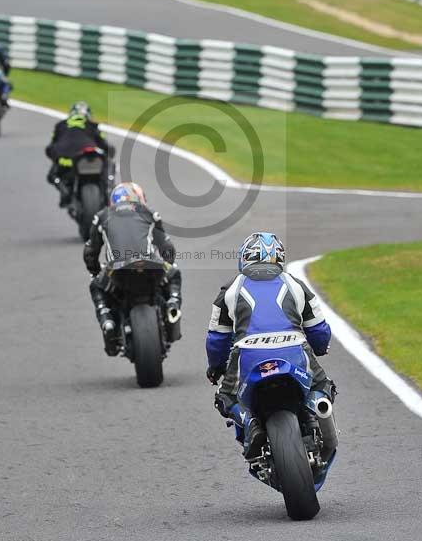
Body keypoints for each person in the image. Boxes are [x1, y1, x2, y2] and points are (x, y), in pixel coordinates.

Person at [206, 232, 336, 460]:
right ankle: (316, 408)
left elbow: (217, 339)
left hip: (248, 353)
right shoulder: (296, 284)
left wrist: (216, 367)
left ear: (244, 258)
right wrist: (320, 348)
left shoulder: (229, 290)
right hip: (294, 349)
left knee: (225, 396)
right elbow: (319, 329)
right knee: (322, 384)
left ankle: (251, 422)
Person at [83, 181, 182, 356]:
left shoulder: (102, 216)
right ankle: (172, 306)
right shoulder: (151, 214)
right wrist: (167, 262)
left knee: (96, 285)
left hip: (118, 269)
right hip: (150, 265)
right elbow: (167, 249)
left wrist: (95, 271)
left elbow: (91, 252)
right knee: (174, 273)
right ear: (140, 198)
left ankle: (107, 322)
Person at [45, 101, 114, 207]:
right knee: (109, 163)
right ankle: (108, 190)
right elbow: (107, 146)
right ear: (88, 115)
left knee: (52, 175)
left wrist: (56, 158)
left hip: (67, 160)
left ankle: (65, 193)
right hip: (90, 158)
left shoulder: (60, 125)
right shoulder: (92, 125)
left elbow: (50, 148)